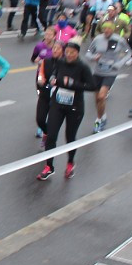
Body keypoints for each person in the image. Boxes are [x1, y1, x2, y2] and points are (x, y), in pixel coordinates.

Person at [37, 38, 99, 180]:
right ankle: (49, 166)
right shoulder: (60, 62)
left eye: (72, 52)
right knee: (51, 136)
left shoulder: (83, 67)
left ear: (77, 53)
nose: (69, 55)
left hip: (75, 107)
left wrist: (73, 83)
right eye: (67, 52)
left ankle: (70, 163)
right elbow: (54, 72)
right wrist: (53, 78)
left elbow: (92, 86)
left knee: (70, 137)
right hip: (58, 103)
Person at [85, 21, 131, 132]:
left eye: (109, 29)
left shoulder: (119, 40)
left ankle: (98, 121)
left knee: (101, 96)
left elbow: (128, 52)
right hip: (98, 71)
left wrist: (119, 63)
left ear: (113, 29)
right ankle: (103, 116)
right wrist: (93, 57)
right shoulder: (98, 39)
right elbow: (88, 52)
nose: (107, 30)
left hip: (111, 72)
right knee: (97, 99)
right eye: (105, 28)